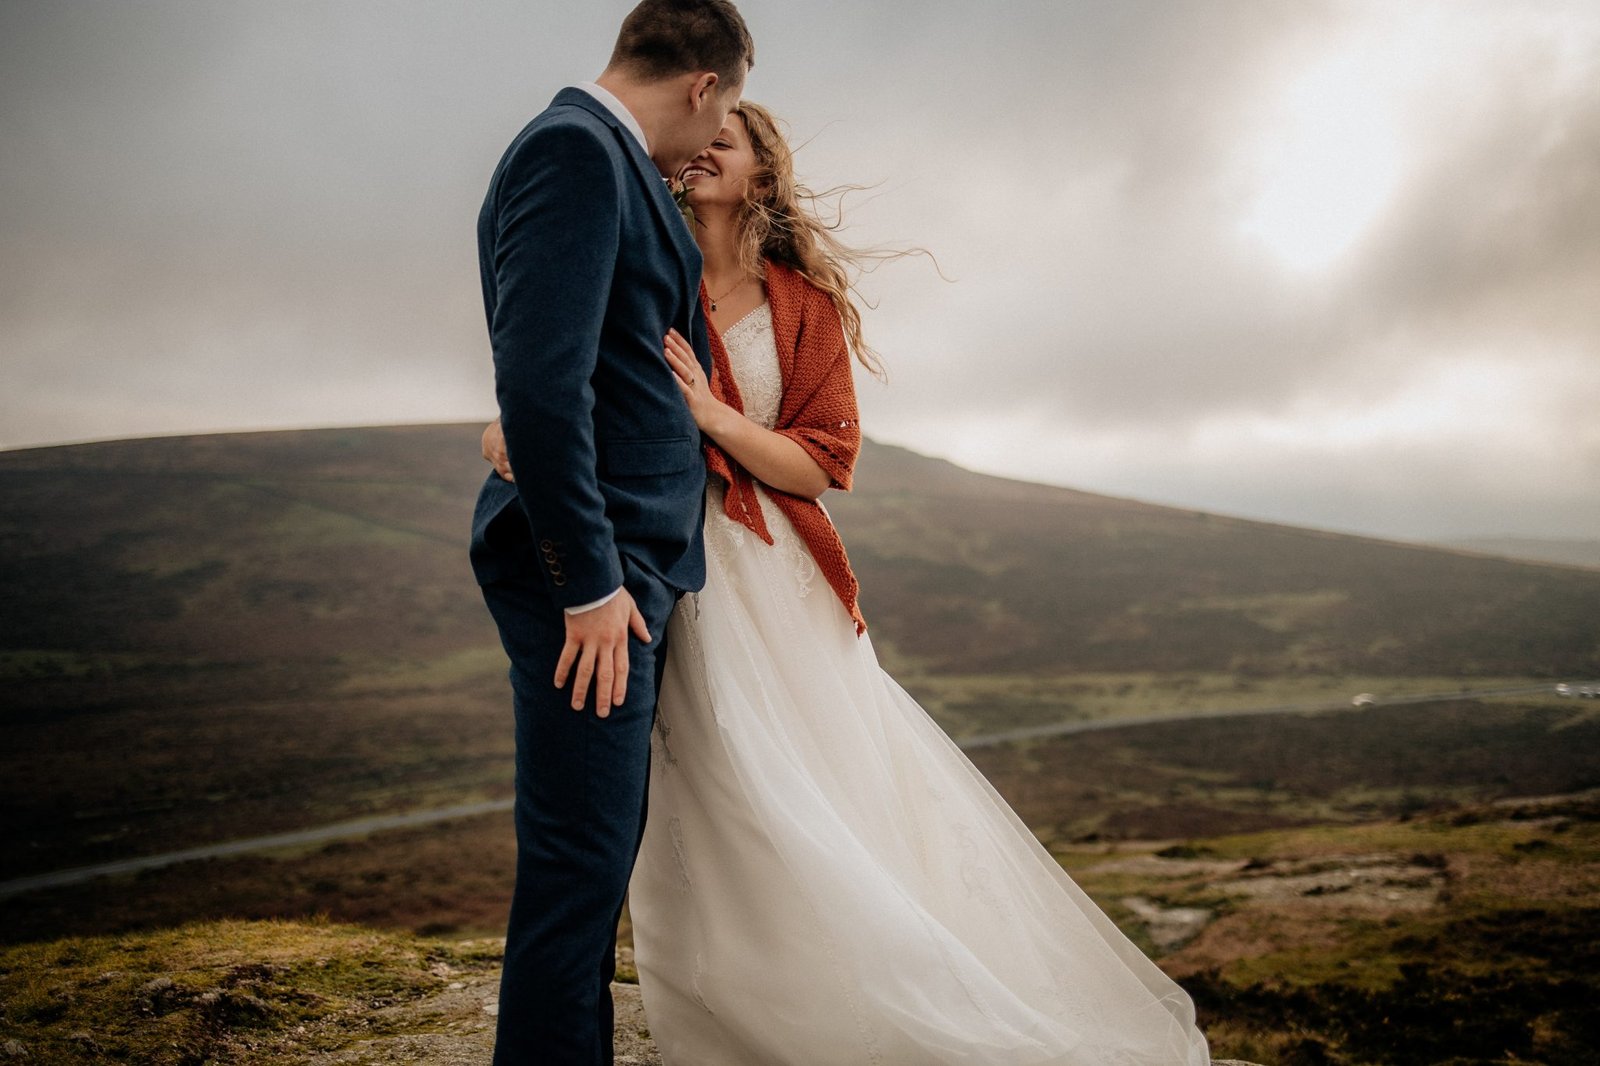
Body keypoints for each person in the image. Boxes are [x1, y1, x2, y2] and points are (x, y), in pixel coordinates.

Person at [480, 104, 1211, 1064]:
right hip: (647, 555)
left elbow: (823, 464)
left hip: (764, 572)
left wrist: (710, 416)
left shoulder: (804, 307)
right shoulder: (639, 274)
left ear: (763, 180)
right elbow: (561, 373)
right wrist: (514, 425)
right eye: (698, 140)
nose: (701, 153)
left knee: (781, 783)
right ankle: (721, 1005)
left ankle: (835, 1008)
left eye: (725, 144)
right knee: (692, 790)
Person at [465, 3, 753, 1064]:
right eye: (722, 111)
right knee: (577, 861)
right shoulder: (573, 151)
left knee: (592, 856)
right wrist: (588, 583)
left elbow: (594, 362)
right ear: (702, 87)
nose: (712, 139)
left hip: (623, 567)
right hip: (593, 578)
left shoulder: (591, 153)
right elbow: (539, 389)